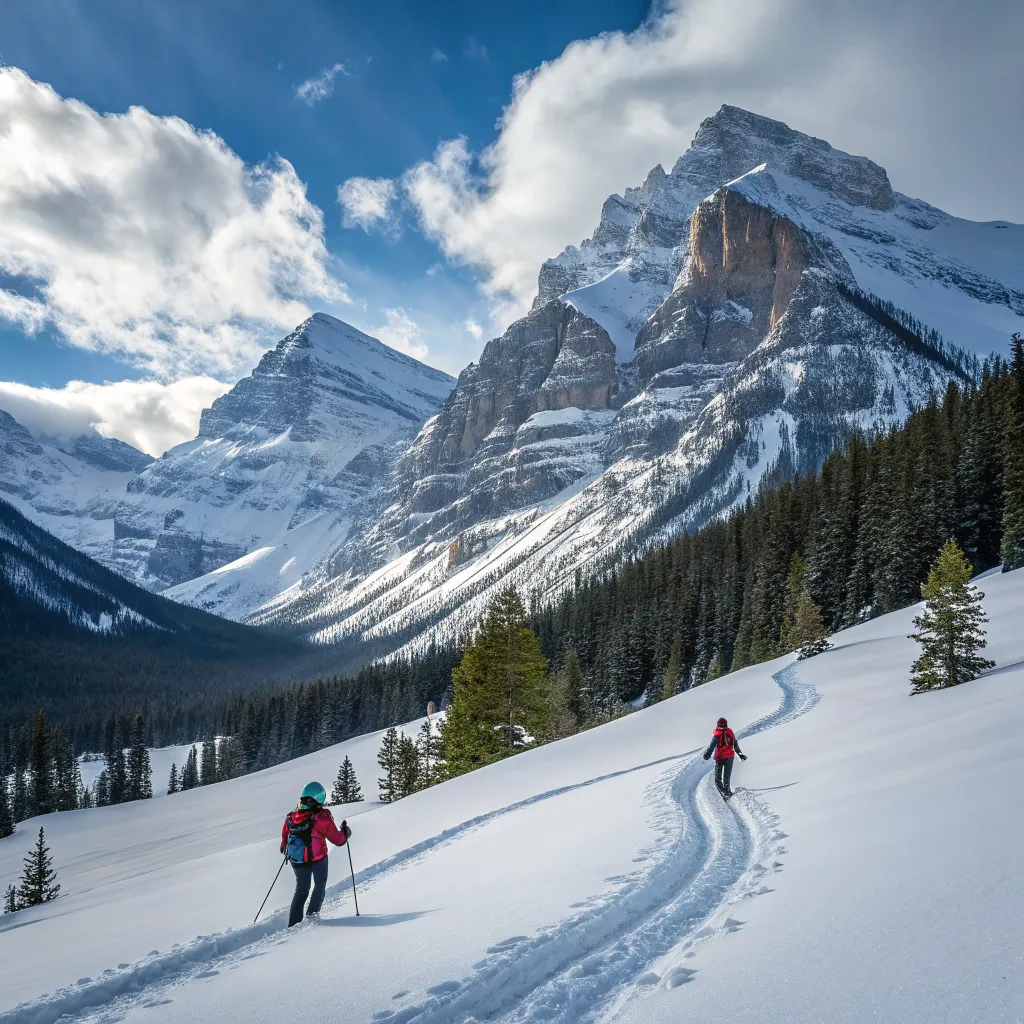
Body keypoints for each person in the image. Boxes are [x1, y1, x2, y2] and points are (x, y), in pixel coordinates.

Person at [281, 781, 351, 926]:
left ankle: (293, 926)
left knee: (301, 891)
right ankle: (312, 919)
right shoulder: (322, 817)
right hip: (318, 858)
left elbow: (284, 842)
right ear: (319, 799)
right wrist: (345, 832)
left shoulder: (291, 817)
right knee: (319, 885)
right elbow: (338, 840)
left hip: (297, 860)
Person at [702, 717, 746, 799]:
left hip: (720, 758)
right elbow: (735, 744)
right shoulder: (730, 732)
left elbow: (711, 747)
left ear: (717, 725)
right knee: (727, 777)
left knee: (717, 779)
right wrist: (741, 755)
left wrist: (706, 756)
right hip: (730, 757)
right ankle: (728, 793)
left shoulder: (717, 735)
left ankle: (725, 794)